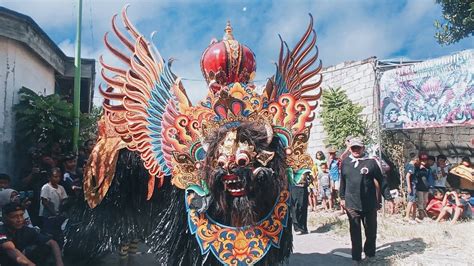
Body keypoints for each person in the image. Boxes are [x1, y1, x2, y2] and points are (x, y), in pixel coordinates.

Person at [339, 137, 393, 262]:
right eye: (353, 148)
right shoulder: (346, 162)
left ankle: (370, 254)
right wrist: (342, 197)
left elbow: (382, 181)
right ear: (350, 149)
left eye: (358, 147)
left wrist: (389, 199)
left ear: (363, 148)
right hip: (352, 203)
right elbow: (343, 182)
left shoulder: (371, 162)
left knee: (371, 230)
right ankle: (356, 257)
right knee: (355, 231)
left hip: (369, 203)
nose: (356, 150)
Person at [39, 168, 68, 246]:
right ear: (49, 177)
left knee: (58, 231)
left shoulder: (61, 188)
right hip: (48, 215)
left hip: (58, 214)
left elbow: (64, 199)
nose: (57, 179)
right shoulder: (46, 187)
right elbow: (44, 202)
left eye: (59, 177)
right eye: (55, 177)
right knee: (48, 232)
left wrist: (61, 210)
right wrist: (53, 212)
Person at [416, 153, 431, 220]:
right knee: (421, 201)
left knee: (425, 201)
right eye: (422, 160)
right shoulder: (417, 167)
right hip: (419, 187)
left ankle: (424, 213)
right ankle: (421, 215)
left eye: (425, 160)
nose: (424, 161)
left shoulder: (428, 168)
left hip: (426, 187)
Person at [404, 153, 419, 222]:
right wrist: (409, 186)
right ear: (415, 159)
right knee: (411, 200)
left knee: (414, 201)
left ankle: (414, 215)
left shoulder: (408, 165)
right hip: (412, 185)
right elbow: (407, 176)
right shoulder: (411, 166)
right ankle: (407, 216)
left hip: (413, 185)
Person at [328, 149, 342, 213]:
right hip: (331, 177)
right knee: (332, 191)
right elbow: (328, 167)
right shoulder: (329, 161)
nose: (331, 155)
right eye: (330, 154)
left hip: (337, 176)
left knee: (338, 190)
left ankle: (340, 204)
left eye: (332, 154)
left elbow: (340, 167)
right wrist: (330, 161)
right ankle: (334, 203)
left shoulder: (337, 160)